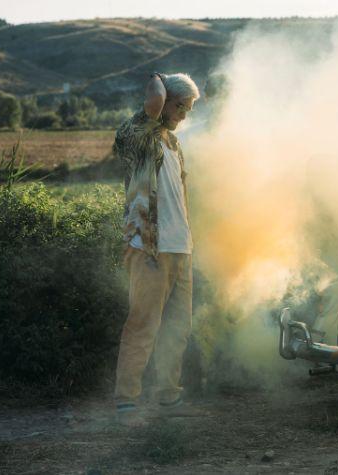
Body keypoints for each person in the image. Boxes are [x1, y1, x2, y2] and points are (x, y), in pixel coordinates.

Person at [112, 71, 202, 425]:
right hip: (149, 247)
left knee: (178, 327)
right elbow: (151, 100)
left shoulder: (173, 144)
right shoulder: (139, 135)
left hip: (181, 248)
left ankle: (168, 395)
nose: (186, 115)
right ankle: (126, 402)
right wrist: (158, 78)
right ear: (166, 103)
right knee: (143, 324)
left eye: (190, 108)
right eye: (183, 106)